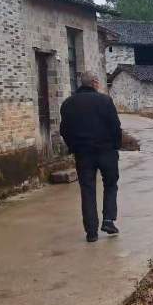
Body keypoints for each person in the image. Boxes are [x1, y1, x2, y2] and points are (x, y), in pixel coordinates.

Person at [60, 71, 122, 243]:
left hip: (83, 153)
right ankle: (108, 220)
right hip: (106, 151)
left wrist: (73, 147)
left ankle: (91, 232)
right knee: (110, 184)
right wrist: (116, 146)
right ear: (94, 82)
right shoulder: (105, 101)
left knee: (87, 190)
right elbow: (115, 126)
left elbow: (64, 130)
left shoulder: (68, 103)